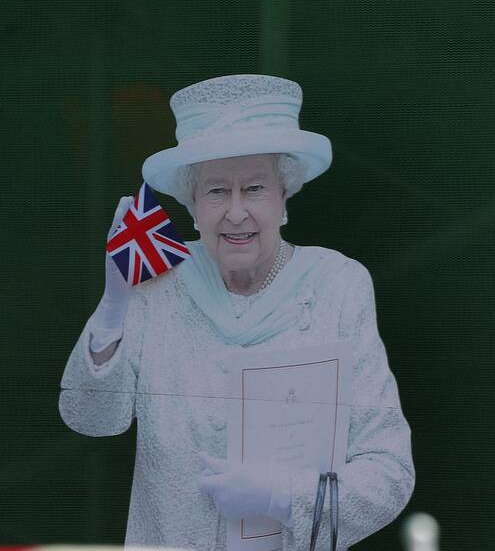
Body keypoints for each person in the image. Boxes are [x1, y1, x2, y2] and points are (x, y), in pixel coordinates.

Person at [59, 74, 414, 549]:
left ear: (284, 196)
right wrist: (112, 307)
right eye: (216, 191)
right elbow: (91, 417)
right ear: (191, 203)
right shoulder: (157, 284)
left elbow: (389, 470)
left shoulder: (338, 285)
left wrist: (285, 497)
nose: (236, 212)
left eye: (254, 188)